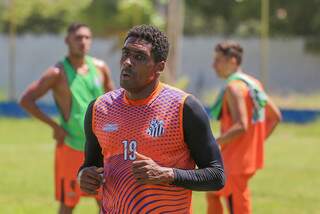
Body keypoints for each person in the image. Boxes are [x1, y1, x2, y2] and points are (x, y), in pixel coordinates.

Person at [78, 24, 225, 213]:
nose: (127, 62)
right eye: (126, 53)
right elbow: (91, 165)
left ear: (159, 66)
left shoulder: (183, 108)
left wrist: (167, 174)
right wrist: (83, 176)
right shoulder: (99, 108)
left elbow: (216, 175)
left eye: (139, 57)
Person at [19, 23, 114, 214]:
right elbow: (26, 100)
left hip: (100, 148)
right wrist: (55, 126)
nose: (83, 42)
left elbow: (116, 101)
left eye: (87, 38)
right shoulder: (57, 73)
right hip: (72, 147)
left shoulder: (100, 68)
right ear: (67, 41)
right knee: (68, 204)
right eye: (78, 37)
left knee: (106, 202)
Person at [206, 41, 282, 214]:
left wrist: (214, 142)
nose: (213, 65)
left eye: (218, 60)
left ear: (232, 60)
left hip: (234, 161)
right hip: (243, 158)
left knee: (236, 206)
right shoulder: (253, 83)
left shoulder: (234, 87)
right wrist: (254, 143)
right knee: (212, 193)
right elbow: (275, 117)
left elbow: (242, 126)